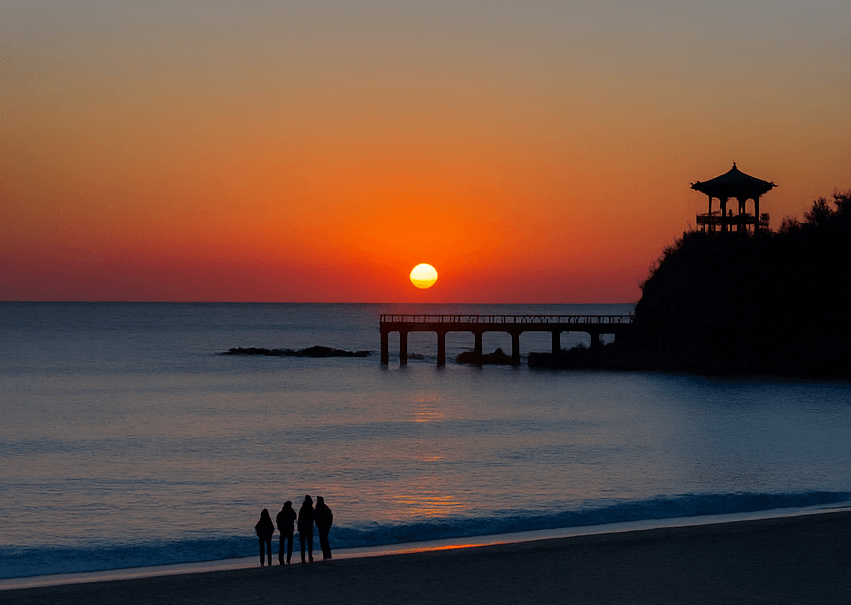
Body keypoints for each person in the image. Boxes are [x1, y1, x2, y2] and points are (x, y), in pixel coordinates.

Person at [275, 501, 297, 565]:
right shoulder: (288, 512)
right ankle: (287, 559)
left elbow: (278, 521)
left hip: (285, 531)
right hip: (287, 530)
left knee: (282, 545)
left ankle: (282, 559)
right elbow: (294, 517)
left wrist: (280, 528)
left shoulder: (281, 513)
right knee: (288, 545)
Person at [314, 496, 334, 560]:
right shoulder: (322, 507)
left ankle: (326, 554)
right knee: (324, 540)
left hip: (323, 526)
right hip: (323, 526)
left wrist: (327, 525)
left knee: (323, 540)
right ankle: (327, 554)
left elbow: (329, 517)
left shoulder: (321, 507)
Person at [297, 495, 315, 564]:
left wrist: (299, 527)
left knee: (303, 544)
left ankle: (304, 558)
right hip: (308, 528)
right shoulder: (310, 508)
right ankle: (309, 557)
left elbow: (300, 519)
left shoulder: (303, 508)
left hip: (303, 528)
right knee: (309, 544)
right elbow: (314, 517)